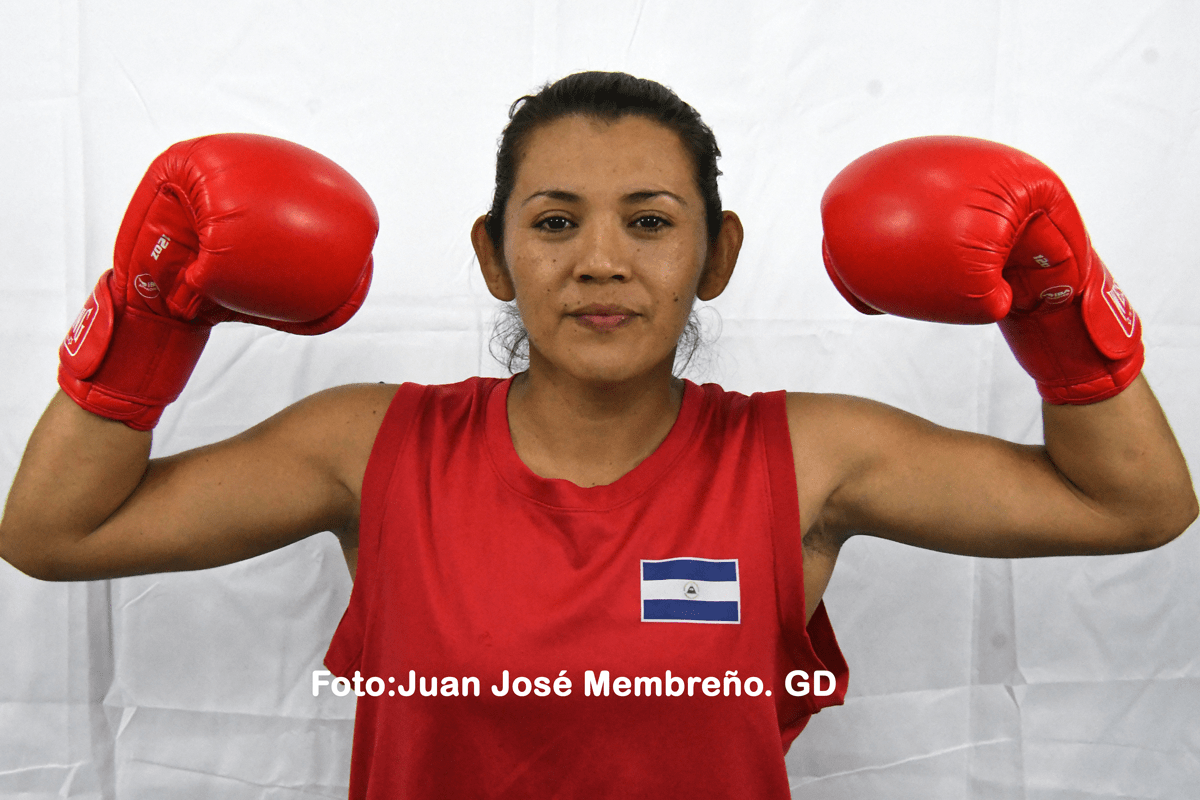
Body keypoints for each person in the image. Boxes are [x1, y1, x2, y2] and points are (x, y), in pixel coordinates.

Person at [0, 71, 1194, 798]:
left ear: (715, 258)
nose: (602, 260)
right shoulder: (370, 445)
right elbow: (54, 530)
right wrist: (151, 317)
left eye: (652, 221)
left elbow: (1134, 502)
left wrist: (1058, 307)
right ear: (494, 252)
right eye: (556, 219)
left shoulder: (808, 458)